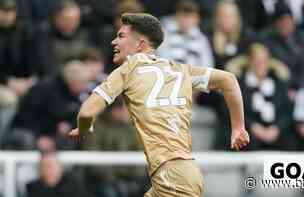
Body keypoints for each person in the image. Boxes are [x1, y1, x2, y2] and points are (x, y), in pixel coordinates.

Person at [68, 13, 249, 197]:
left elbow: (86, 112)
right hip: (182, 172)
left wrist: (83, 128)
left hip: (171, 176)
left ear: (140, 44)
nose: (114, 42)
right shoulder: (179, 69)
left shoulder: (127, 70)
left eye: (121, 36)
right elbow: (228, 80)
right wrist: (238, 127)